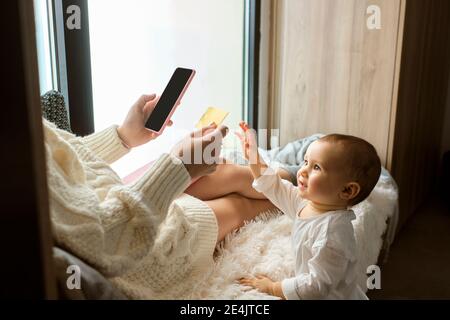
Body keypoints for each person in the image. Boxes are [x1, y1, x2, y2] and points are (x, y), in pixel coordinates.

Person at [44, 94, 276, 299]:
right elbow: (106, 240)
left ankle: (293, 175)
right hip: (142, 251)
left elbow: (63, 160)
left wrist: (123, 136)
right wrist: (179, 168)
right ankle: (297, 184)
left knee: (223, 172)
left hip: (119, 199)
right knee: (240, 205)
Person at [232, 123, 381, 299]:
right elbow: (274, 185)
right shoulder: (306, 203)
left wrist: (273, 288)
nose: (302, 171)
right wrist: (253, 157)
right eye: (305, 162)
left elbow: (316, 287)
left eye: (316, 167)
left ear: (347, 190)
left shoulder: (332, 235)